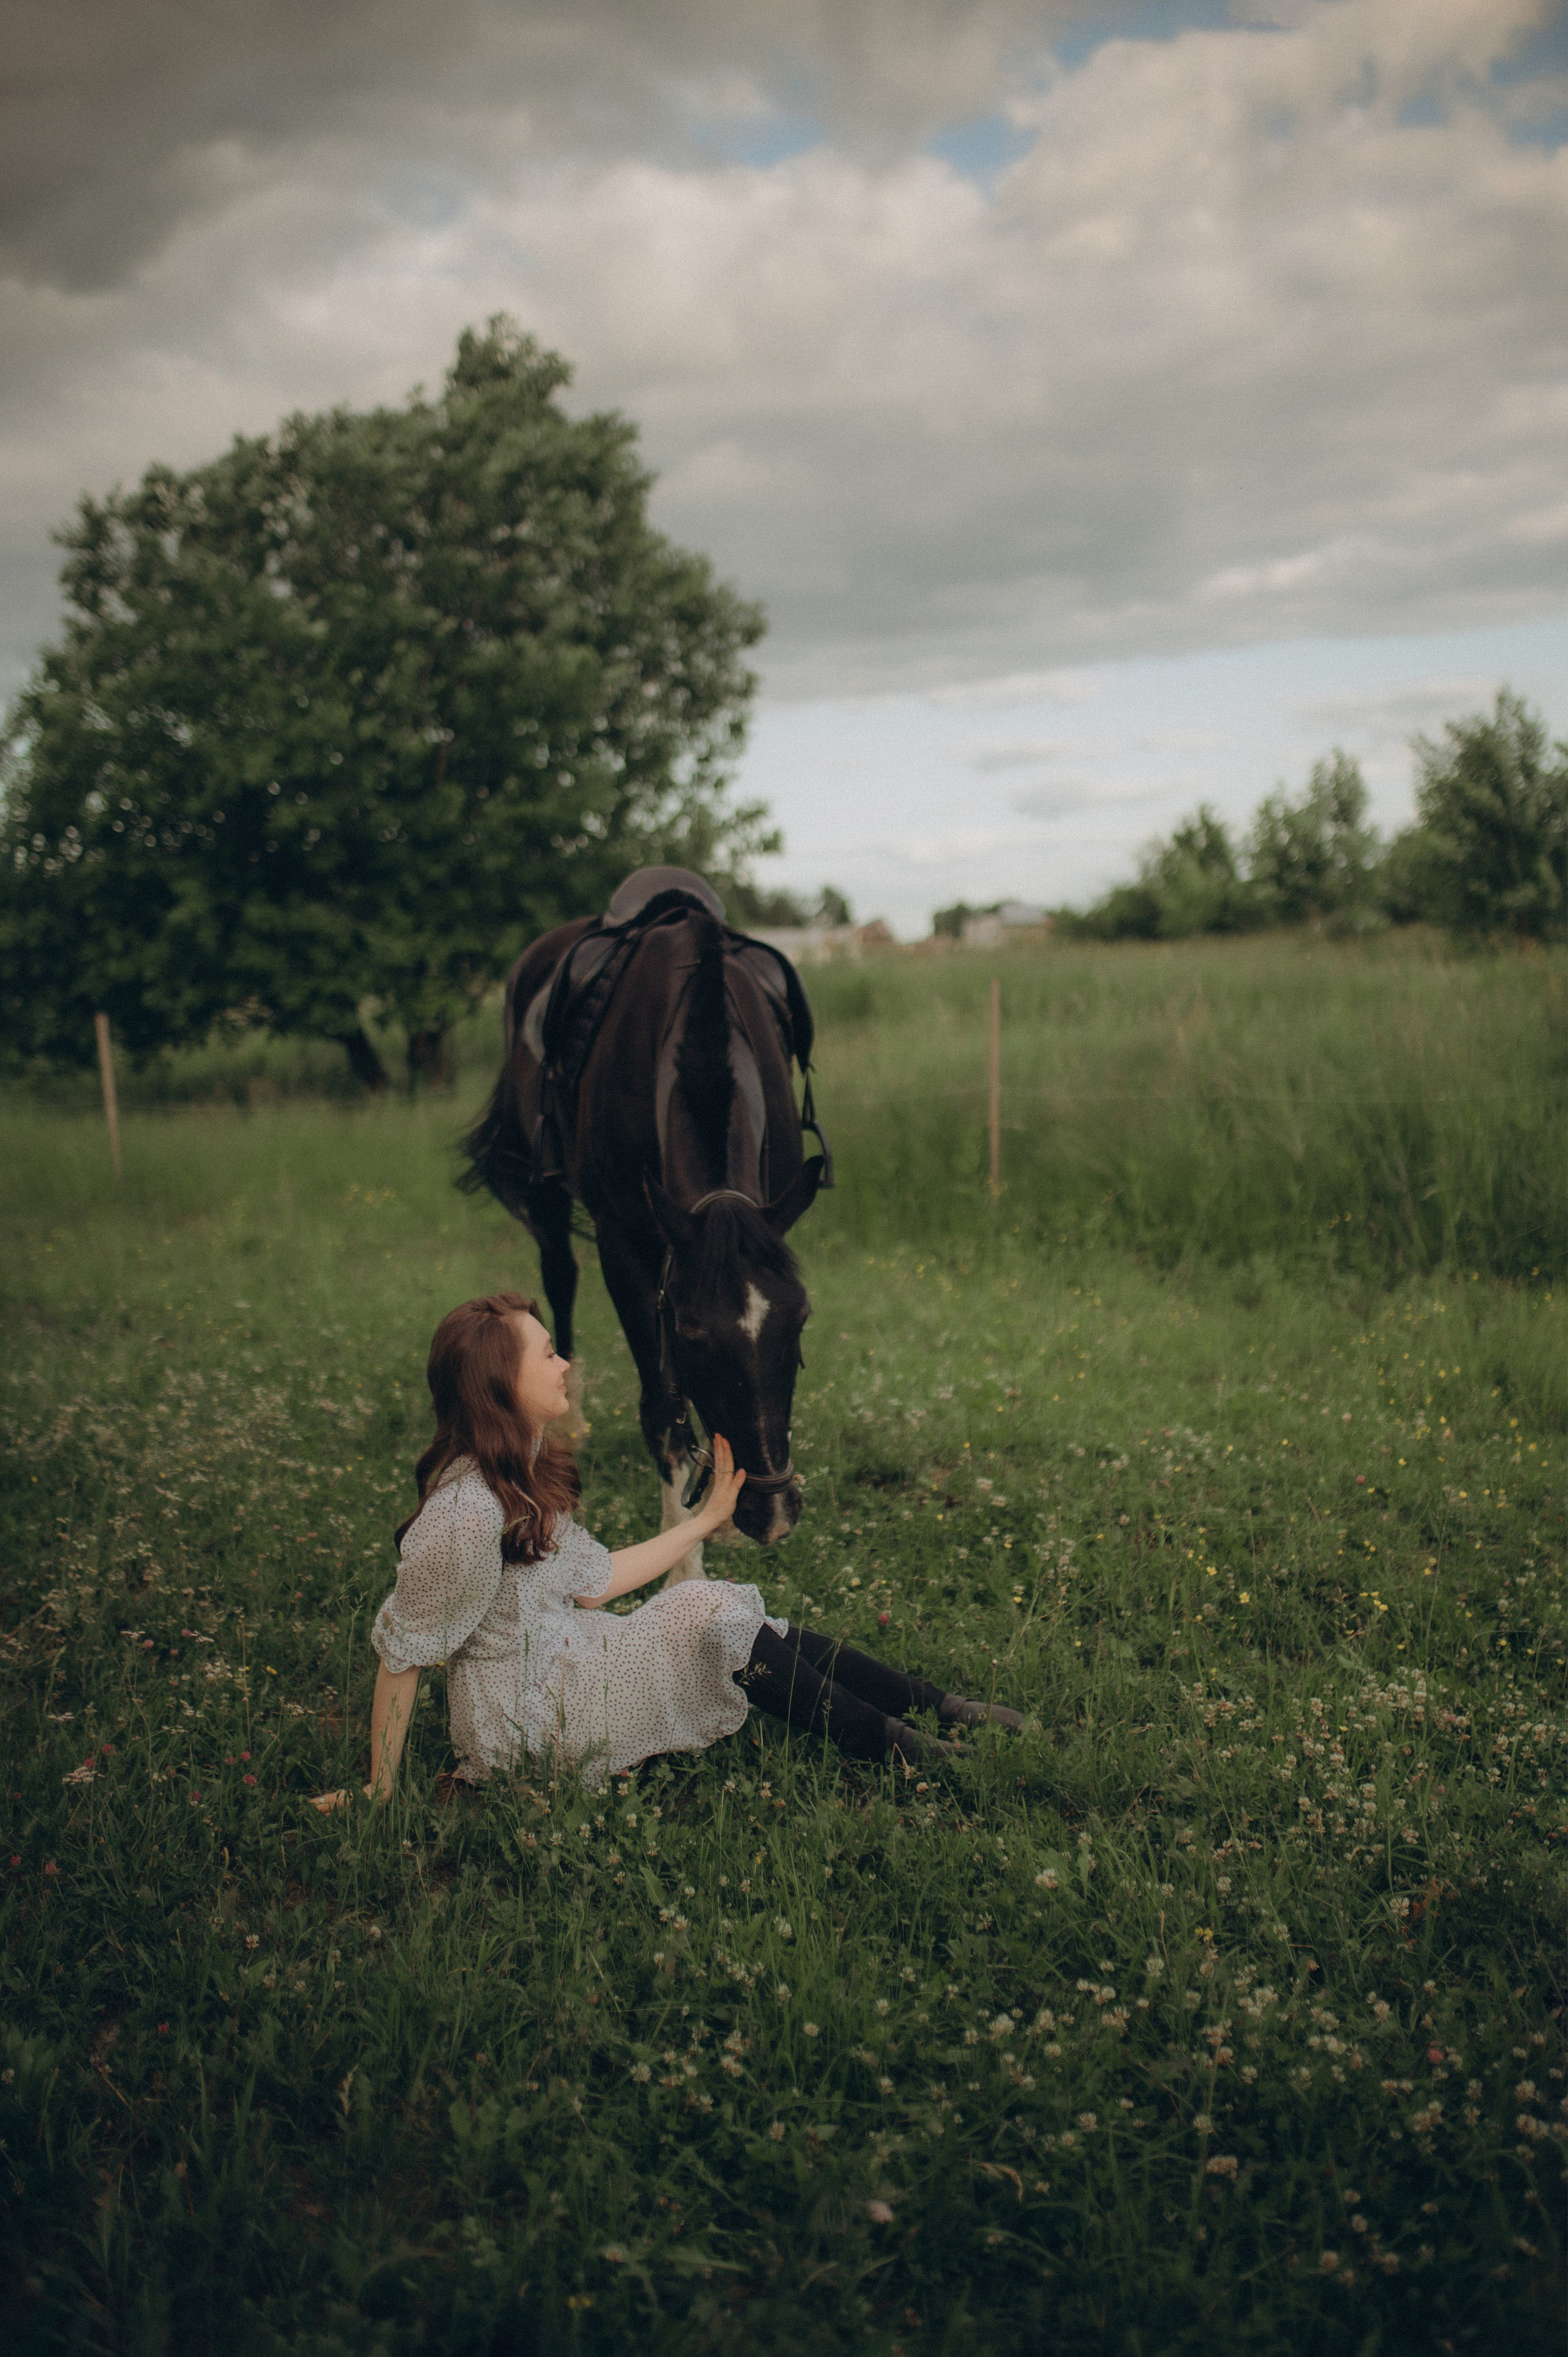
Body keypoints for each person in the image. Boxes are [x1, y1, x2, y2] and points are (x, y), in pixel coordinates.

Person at [314, 1291, 1020, 1808]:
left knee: (707, 1609)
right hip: (522, 1725)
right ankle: (911, 1750)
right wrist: (377, 1789)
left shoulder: (518, 1472)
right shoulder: (465, 1513)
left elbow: (597, 1582)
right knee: (707, 1620)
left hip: (566, 1661)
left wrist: (701, 1518)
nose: (566, 1364)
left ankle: (938, 1708)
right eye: (549, 1352)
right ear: (499, 1384)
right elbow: (402, 1651)